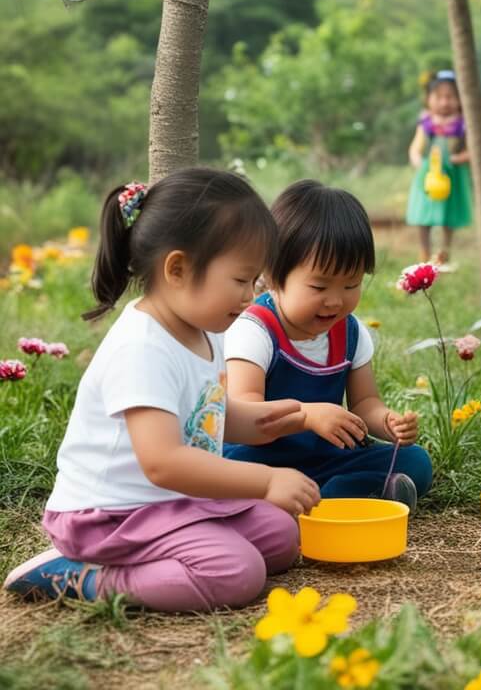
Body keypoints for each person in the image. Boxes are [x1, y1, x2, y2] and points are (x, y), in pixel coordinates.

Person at [4, 169, 319, 610]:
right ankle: (81, 575)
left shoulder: (206, 328)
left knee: (280, 537)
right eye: (241, 280)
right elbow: (164, 462)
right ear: (178, 269)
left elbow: (205, 416)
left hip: (171, 501)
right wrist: (265, 479)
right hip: (113, 514)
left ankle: (183, 550)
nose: (251, 296)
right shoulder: (142, 347)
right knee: (237, 572)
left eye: (254, 282)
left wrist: (284, 418)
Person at [224, 180, 432, 503]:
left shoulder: (350, 333)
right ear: (275, 276)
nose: (335, 301)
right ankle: (340, 495)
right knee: (230, 472)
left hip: (322, 458)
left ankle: (330, 496)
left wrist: (388, 422)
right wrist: (308, 415)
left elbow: (364, 403)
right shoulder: (254, 330)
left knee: (416, 460)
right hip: (257, 460)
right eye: (319, 288)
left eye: (351, 285)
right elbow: (247, 410)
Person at [405, 70, 473, 265]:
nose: (444, 102)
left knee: (448, 216)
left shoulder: (462, 123)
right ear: (429, 99)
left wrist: (458, 158)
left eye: (450, 97)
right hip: (429, 175)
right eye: (439, 97)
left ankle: (444, 252)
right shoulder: (426, 122)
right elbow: (415, 149)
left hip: (453, 175)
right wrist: (419, 162)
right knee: (423, 215)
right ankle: (424, 252)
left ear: (460, 99)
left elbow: (472, 151)